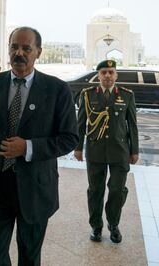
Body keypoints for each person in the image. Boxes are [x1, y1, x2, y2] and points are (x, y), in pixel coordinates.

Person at [0, 26, 78, 265]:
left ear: (38, 52)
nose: (19, 53)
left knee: (29, 256)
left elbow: (69, 139)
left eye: (26, 48)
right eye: (14, 47)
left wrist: (28, 148)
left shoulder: (57, 90)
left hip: (35, 188)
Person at [74, 59, 139, 243]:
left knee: (117, 190)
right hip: (95, 151)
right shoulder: (87, 95)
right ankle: (96, 226)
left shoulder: (126, 95)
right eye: (104, 72)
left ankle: (113, 224)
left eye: (111, 72)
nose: (108, 76)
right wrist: (78, 147)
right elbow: (80, 124)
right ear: (98, 76)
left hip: (120, 151)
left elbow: (132, 125)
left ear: (116, 75)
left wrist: (134, 150)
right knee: (95, 190)